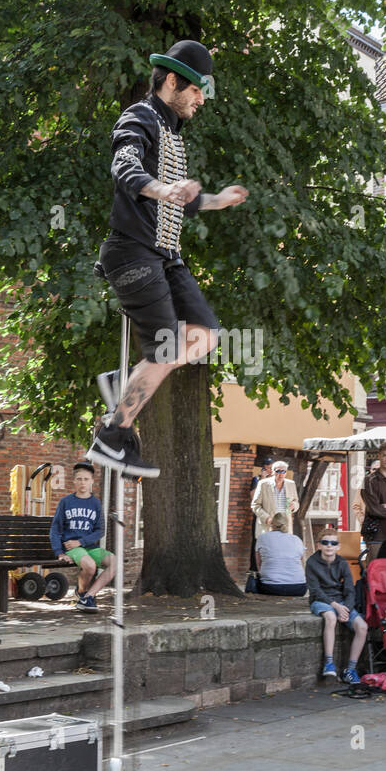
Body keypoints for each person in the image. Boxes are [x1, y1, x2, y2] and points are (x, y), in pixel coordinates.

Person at [88, 40, 248, 479]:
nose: (200, 100)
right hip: (133, 253)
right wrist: (162, 189)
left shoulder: (172, 132)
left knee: (207, 335)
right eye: (196, 90)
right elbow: (126, 168)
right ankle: (112, 435)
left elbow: (184, 202)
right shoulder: (138, 118)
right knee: (166, 348)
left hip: (166, 257)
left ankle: (124, 385)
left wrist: (216, 200)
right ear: (173, 80)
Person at [49, 461, 115, 610]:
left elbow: (100, 531)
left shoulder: (96, 504)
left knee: (114, 562)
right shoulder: (66, 502)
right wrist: (59, 552)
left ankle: (88, 597)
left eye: (86, 479)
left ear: (92, 481)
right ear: (74, 481)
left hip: (89, 546)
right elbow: (55, 529)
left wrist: (81, 541)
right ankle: (81, 593)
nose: (82, 482)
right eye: (79, 479)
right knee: (90, 566)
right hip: (71, 547)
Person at [306, 530, 368, 683]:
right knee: (331, 617)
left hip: (341, 601)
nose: (329, 546)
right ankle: (329, 663)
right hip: (320, 601)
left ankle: (350, 669)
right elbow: (315, 590)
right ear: (319, 545)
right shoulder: (312, 562)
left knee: (362, 626)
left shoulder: (342, 563)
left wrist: (345, 608)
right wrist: (335, 607)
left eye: (333, 543)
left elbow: (349, 589)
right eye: (325, 542)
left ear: (338, 546)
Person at [253, 511, 307, 595]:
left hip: (271, 587)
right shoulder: (297, 539)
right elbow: (301, 561)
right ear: (287, 523)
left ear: (272, 523)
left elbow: (259, 564)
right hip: (299, 587)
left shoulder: (262, 538)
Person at [251, 460, 300, 541]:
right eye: (278, 471)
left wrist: (294, 505)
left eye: (283, 471)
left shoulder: (291, 484)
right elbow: (255, 505)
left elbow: (296, 501)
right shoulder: (263, 484)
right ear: (273, 472)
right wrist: (266, 518)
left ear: (286, 472)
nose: (281, 474)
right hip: (268, 525)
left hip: (285, 526)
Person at [249, 456, 273, 570]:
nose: (269, 471)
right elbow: (253, 497)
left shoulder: (275, 482)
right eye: (267, 468)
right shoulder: (256, 480)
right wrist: (262, 479)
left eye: (271, 468)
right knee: (257, 541)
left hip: (272, 517)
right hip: (259, 516)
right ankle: (254, 568)